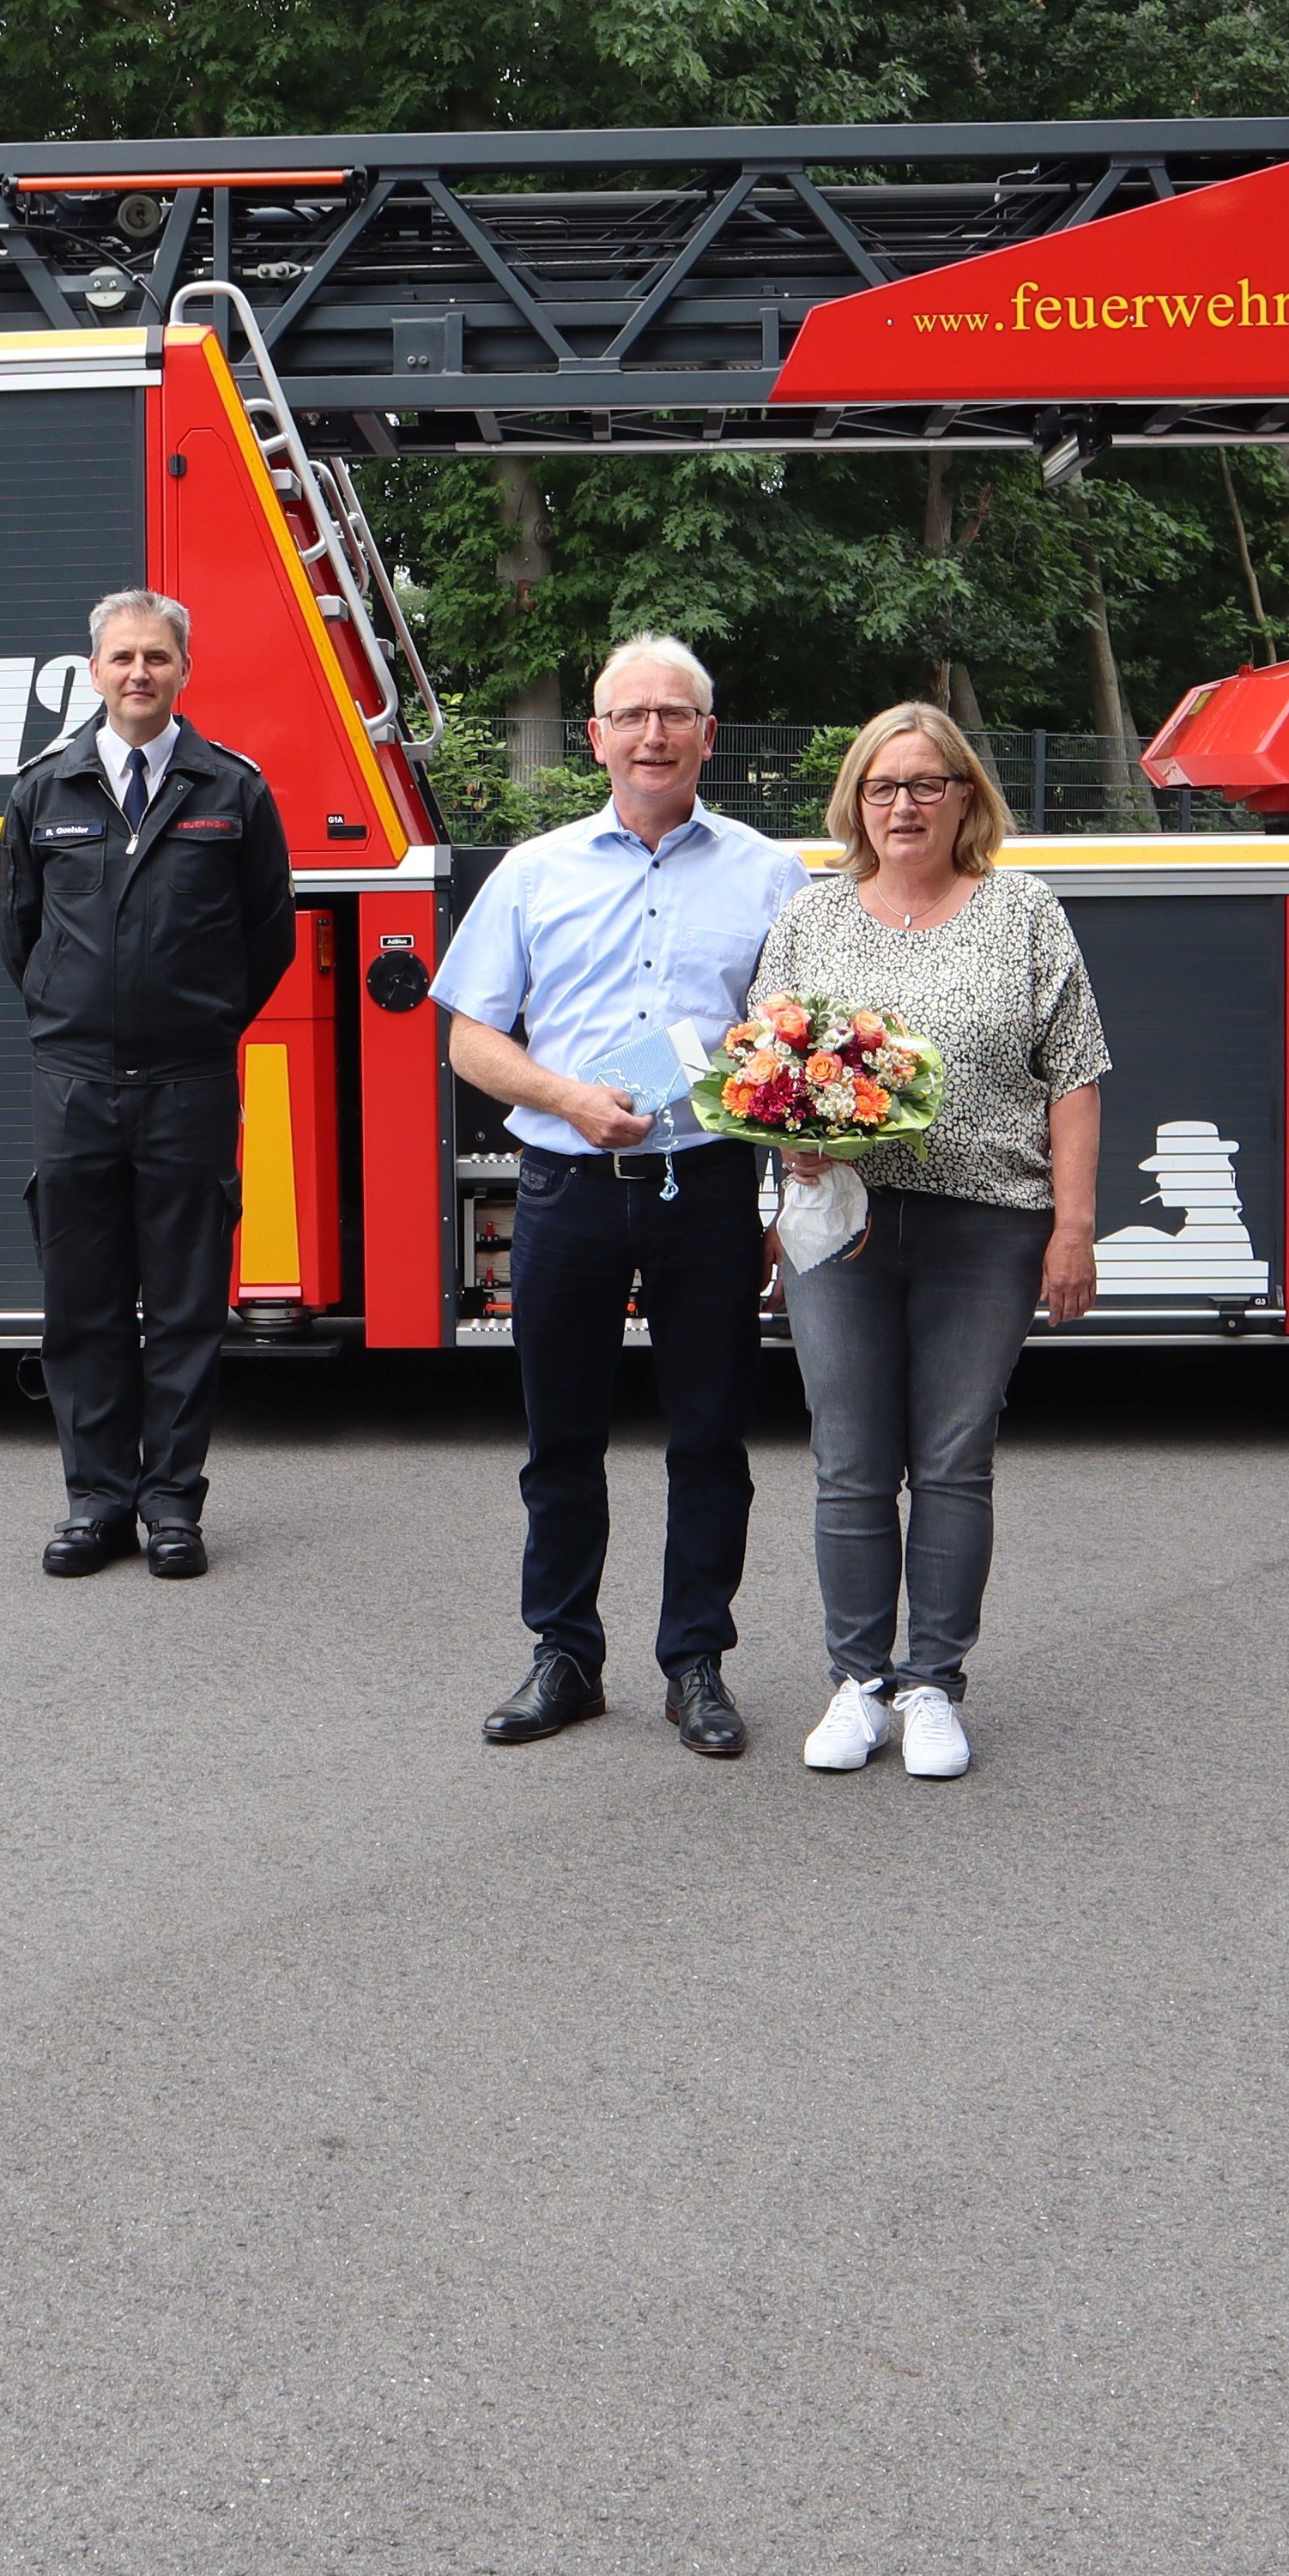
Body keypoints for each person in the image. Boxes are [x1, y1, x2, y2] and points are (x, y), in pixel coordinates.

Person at [432, 635, 804, 1756]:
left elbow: (799, 1058)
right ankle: (565, 1657)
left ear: (708, 736)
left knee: (711, 1439)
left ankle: (696, 1661)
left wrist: (785, 1203)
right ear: (596, 737)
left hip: (709, 1186)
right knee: (561, 1439)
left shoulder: (770, 875)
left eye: (674, 715)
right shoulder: (537, 873)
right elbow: (468, 1040)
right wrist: (567, 1099)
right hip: (568, 1184)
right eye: (630, 715)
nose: (652, 734)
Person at [753, 706, 1110, 1784]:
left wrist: (1074, 1228)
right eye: (881, 786)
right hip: (842, 1227)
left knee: (953, 1461)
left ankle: (934, 1687)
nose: (902, 805)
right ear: (855, 801)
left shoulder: (1025, 912)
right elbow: (764, 1067)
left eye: (925, 783)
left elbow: (1078, 1076)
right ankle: (858, 1684)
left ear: (966, 796)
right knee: (851, 1463)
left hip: (988, 1223)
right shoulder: (812, 919)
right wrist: (793, 1142)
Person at [0, 590, 297, 1581]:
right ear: (93, 671)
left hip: (187, 1087)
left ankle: (172, 1506)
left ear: (183, 671)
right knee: (79, 1307)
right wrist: (75, 1018)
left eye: (157, 658)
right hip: (73, 1085)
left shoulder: (234, 790)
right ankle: (94, 1504)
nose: (139, 674)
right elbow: (19, 936)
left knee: (183, 1306)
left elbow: (267, 939)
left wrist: (198, 1022)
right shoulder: (44, 790)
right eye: (122, 657)